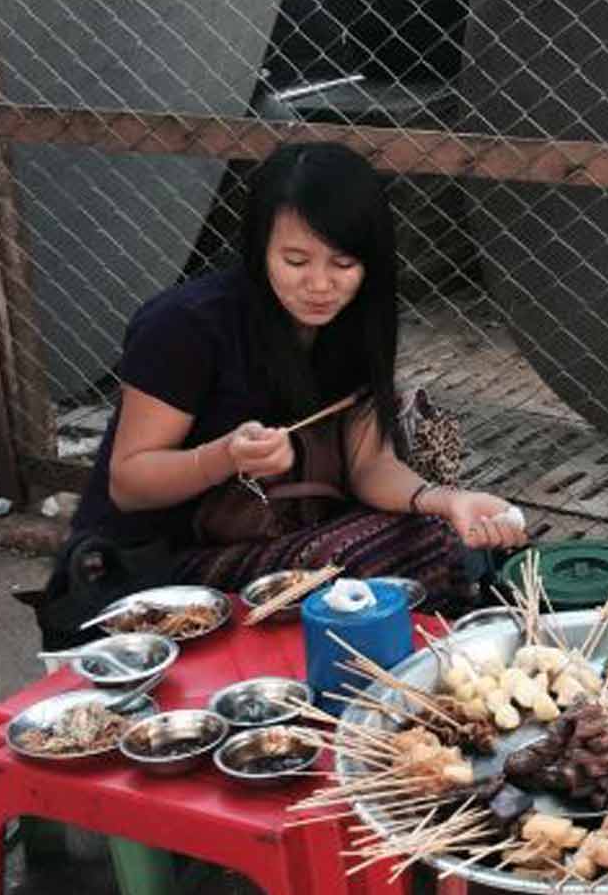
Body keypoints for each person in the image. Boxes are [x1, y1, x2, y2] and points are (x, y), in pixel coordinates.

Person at [53, 142, 525, 617]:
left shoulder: (357, 322)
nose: (320, 285)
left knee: (437, 539)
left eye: (342, 264)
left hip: (276, 532)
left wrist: (447, 501)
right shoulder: (186, 326)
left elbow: (369, 467)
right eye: (296, 262)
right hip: (151, 561)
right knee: (355, 564)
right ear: (259, 250)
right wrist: (225, 457)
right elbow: (129, 483)